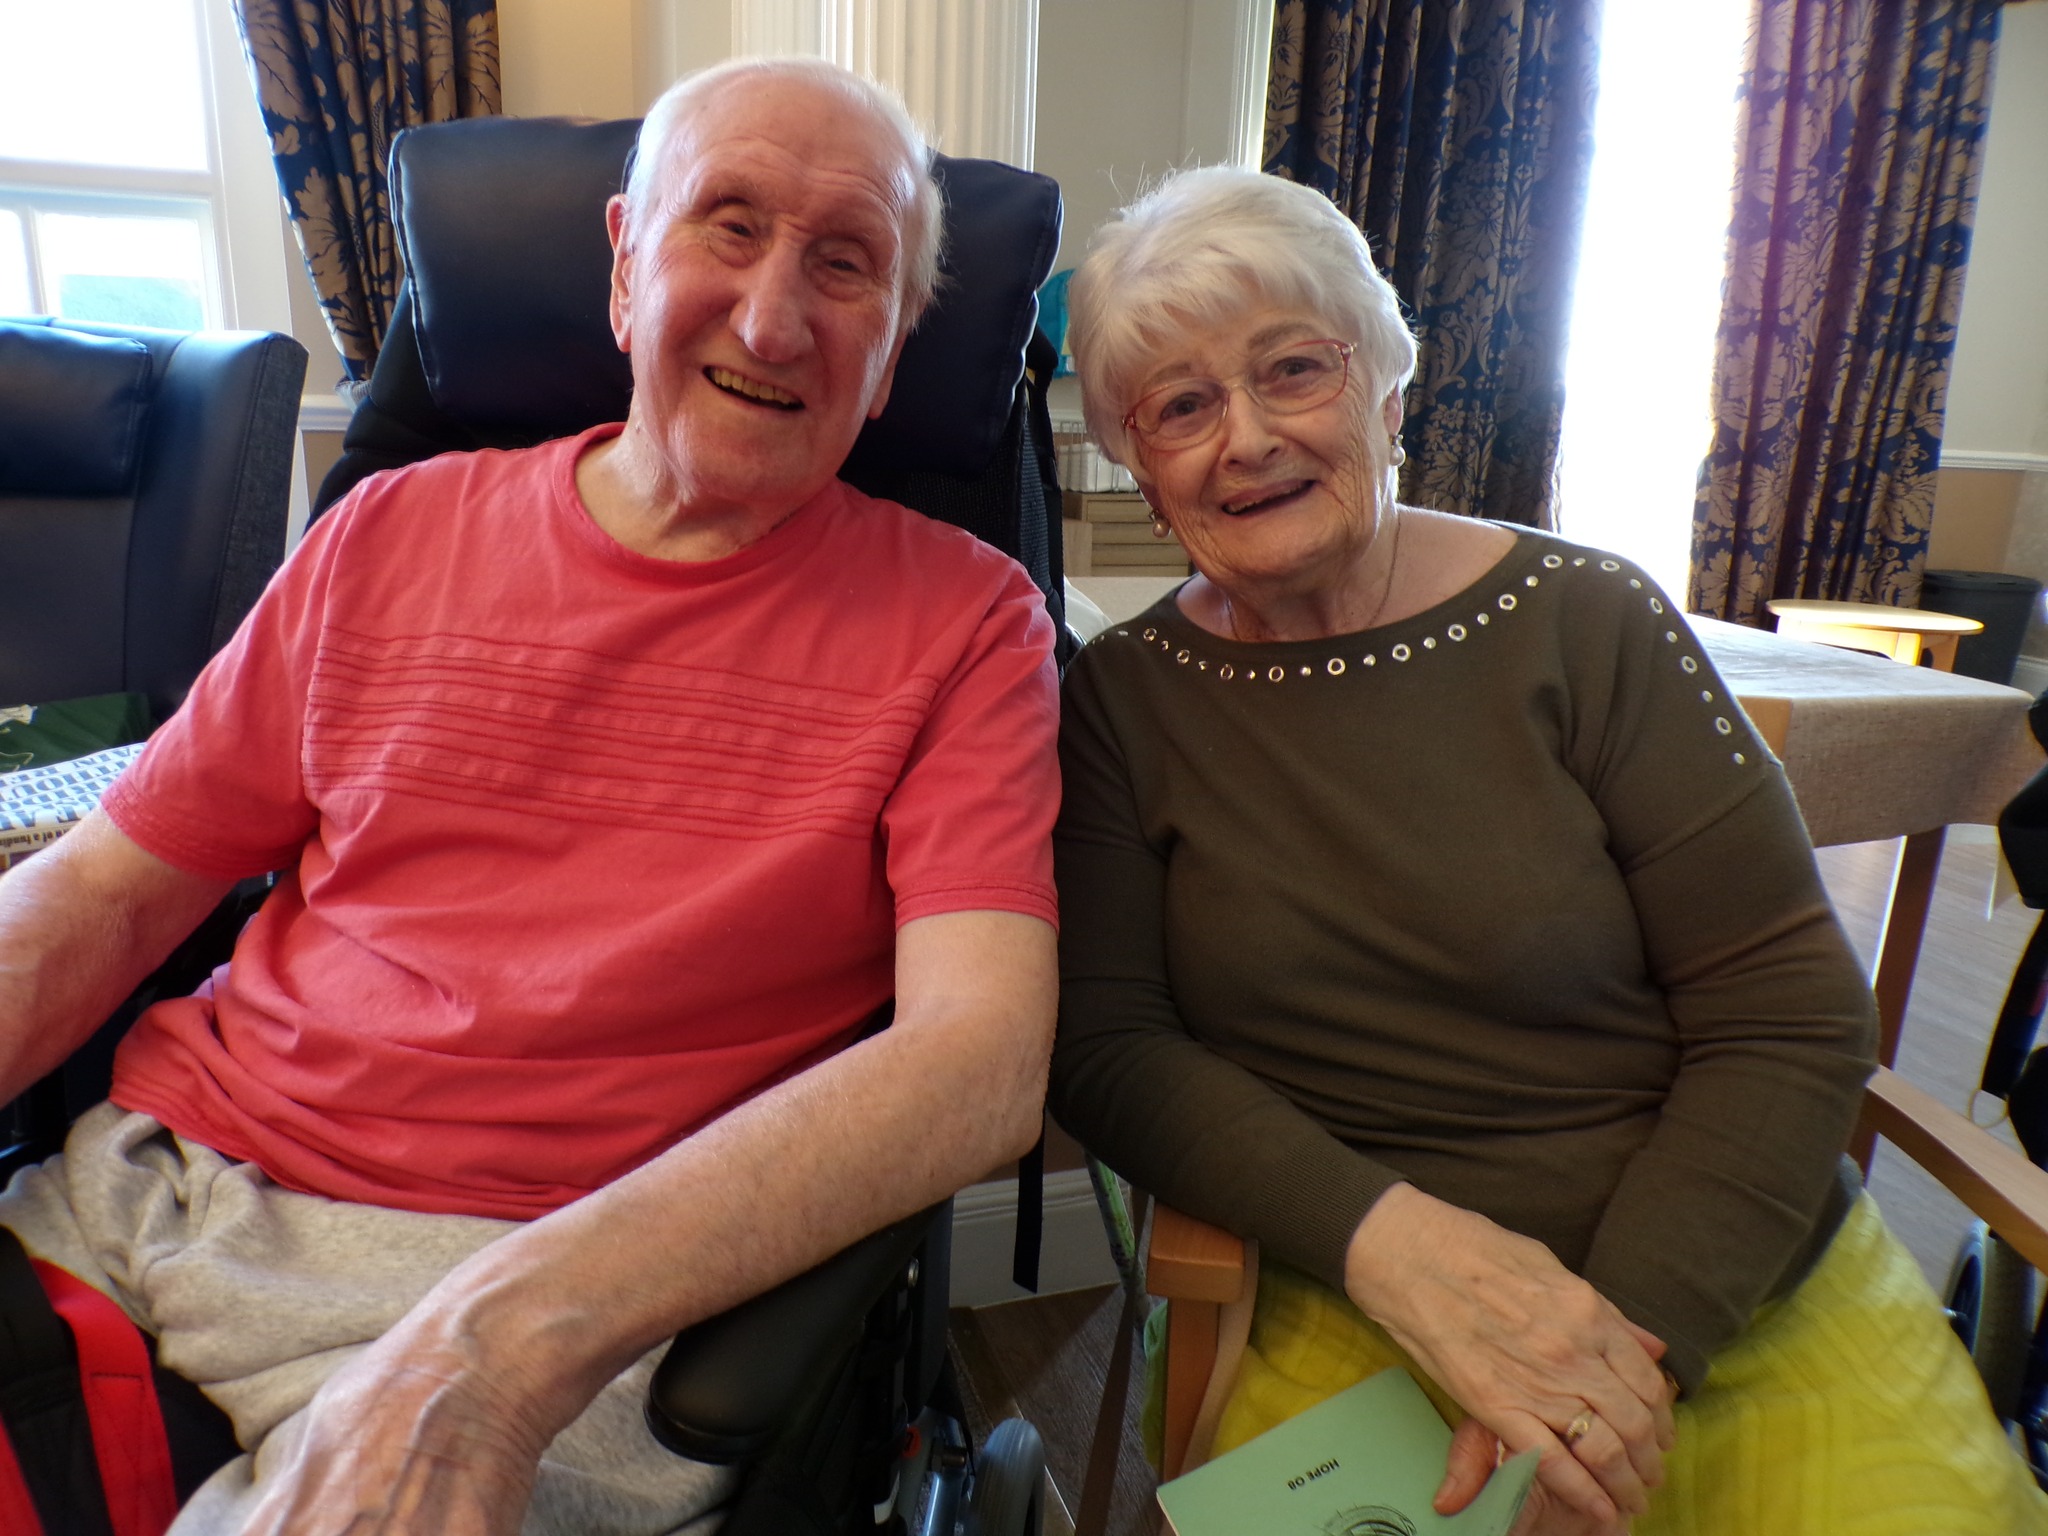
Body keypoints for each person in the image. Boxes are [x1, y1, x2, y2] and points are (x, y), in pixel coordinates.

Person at [0, 57, 1060, 1536]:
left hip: (564, 1297)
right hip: (147, 1196)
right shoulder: (387, 532)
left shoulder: (967, 625)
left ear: (891, 355)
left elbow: (981, 1061)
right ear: (626, 268)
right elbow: (107, 888)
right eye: (729, 227)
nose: (772, 317)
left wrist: (495, 1344)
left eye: (846, 263)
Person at [1048, 165, 2047, 1534]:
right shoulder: (1124, 699)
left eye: (1294, 368)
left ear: (1389, 392)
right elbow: (1111, 1045)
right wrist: (1394, 1247)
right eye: (1179, 406)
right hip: (1369, 1294)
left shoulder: (1585, 621)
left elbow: (1787, 1013)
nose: (1246, 438)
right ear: (1140, 473)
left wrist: (1608, 1375)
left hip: (1730, 1274)